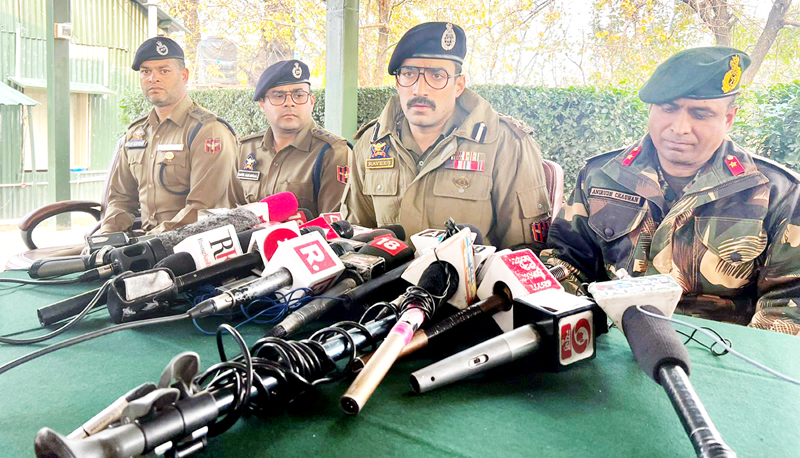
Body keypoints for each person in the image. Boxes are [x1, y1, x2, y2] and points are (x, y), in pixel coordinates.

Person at [541, 47, 800, 335]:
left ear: (728, 119)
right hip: (613, 343)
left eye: (700, 114)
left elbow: (789, 300)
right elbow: (567, 260)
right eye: (669, 108)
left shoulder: (777, 192)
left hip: (720, 353)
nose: (679, 128)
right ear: (651, 109)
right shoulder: (601, 175)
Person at [340, 22, 552, 249]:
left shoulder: (505, 143)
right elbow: (356, 238)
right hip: (388, 282)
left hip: (473, 283)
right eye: (409, 74)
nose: (419, 89)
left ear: (459, 85)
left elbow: (525, 252)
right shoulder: (369, 145)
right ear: (397, 83)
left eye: (437, 76)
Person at [98, 37, 237, 234]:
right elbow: (121, 199)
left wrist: (150, 241)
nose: (153, 78)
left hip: (191, 246)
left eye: (164, 71)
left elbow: (203, 210)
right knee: (55, 262)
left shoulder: (208, 131)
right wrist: (106, 238)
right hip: (146, 244)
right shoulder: (136, 133)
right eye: (146, 71)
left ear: (184, 75)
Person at [225, 60, 351, 216]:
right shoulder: (247, 149)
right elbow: (231, 214)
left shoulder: (332, 152)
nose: (289, 103)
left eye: (299, 95)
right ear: (262, 105)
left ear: (311, 102)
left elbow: (335, 225)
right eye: (278, 96)